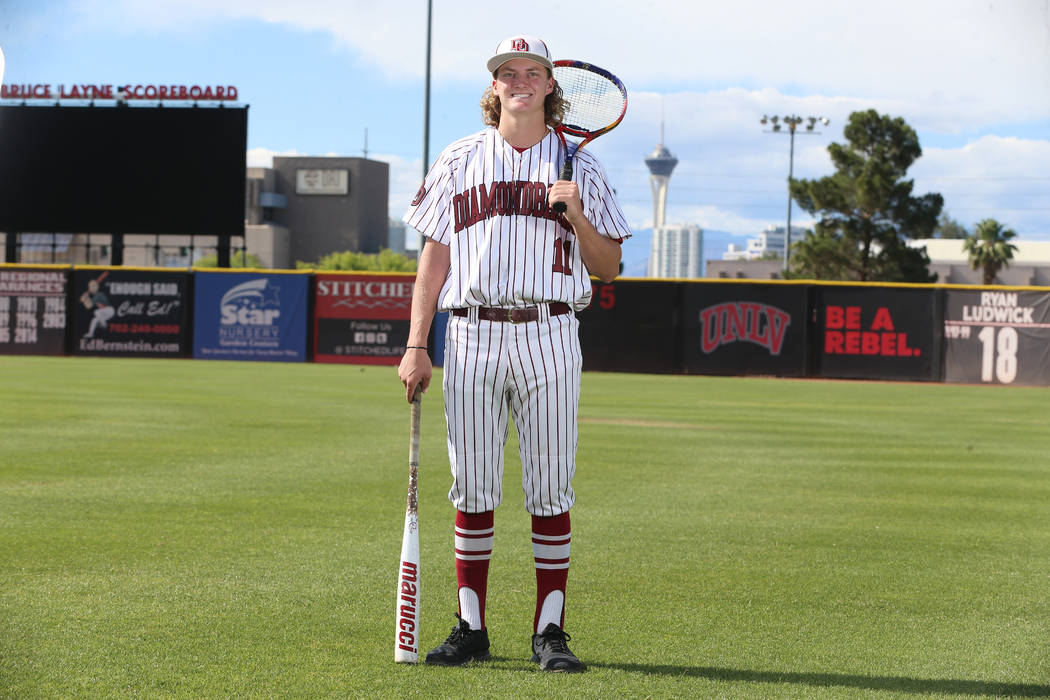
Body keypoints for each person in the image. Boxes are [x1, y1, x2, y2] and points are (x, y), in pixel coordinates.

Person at [397, 34, 631, 673]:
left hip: (551, 331)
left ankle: (549, 632)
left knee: (550, 487)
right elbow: (433, 261)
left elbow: (608, 267)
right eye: (508, 72)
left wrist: (578, 216)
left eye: (533, 71)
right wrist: (418, 345)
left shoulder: (580, 165)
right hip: (470, 332)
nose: (520, 80)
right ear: (493, 86)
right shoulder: (459, 158)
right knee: (471, 484)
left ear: (552, 85)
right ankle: (470, 627)